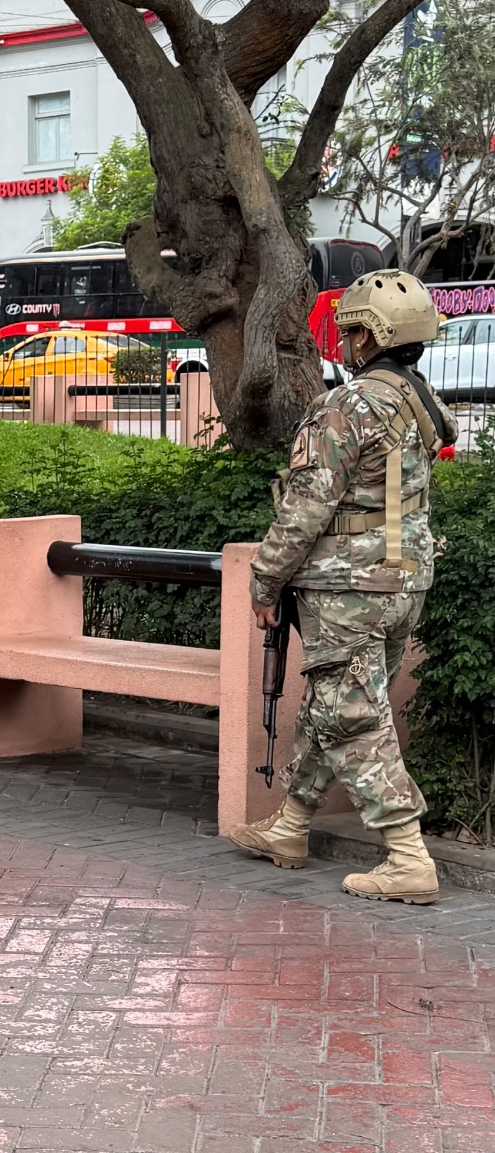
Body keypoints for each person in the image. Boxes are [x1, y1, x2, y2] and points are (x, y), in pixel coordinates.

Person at [227, 270, 457, 905]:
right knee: (335, 703)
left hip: (348, 587)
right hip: (402, 578)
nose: (346, 341)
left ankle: (408, 856)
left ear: (370, 336)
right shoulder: (419, 399)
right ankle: (292, 828)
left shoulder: (350, 404)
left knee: (351, 714)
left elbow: (306, 505)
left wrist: (266, 579)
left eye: (352, 329)